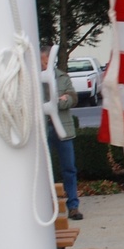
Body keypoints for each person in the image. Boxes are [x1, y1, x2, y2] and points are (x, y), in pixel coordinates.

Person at [41, 48, 83, 220]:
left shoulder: (62, 77)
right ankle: (46, 206)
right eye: (42, 61)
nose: (44, 64)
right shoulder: (34, 78)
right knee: (44, 170)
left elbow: (73, 98)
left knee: (69, 169)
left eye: (46, 60)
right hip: (43, 130)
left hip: (63, 130)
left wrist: (62, 102)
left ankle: (73, 206)